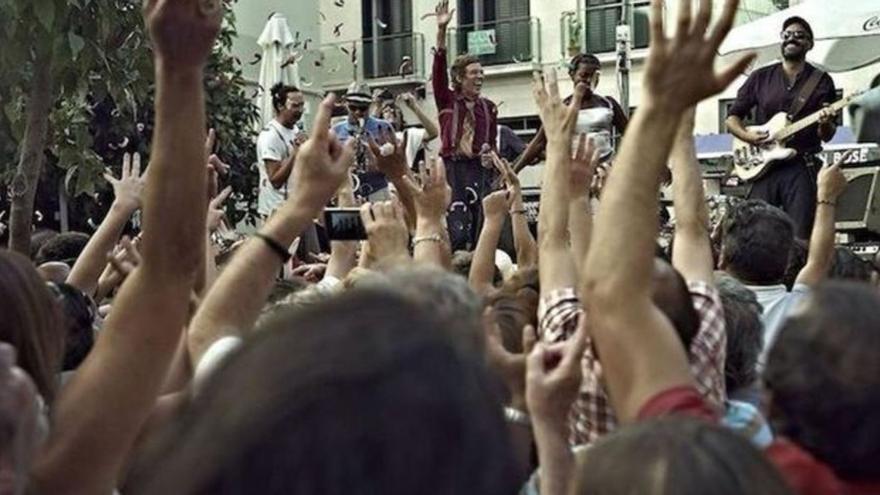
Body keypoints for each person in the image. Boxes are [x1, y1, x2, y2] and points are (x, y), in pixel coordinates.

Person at [725, 16, 838, 239]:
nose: (791, 38)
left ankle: (796, 272)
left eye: (799, 35)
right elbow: (732, 118)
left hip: (800, 165)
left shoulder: (822, 80)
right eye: (787, 35)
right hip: (764, 167)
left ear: (810, 44)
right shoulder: (760, 77)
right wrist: (747, 137)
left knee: (800, 234)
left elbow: (827, 135)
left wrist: (825, 123)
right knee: (756, 231)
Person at [432, 0, 500, 251]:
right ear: (460, 77)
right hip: (453, 169)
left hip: (478, 170)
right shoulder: (447, 99)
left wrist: (493, 166)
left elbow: (492, 145)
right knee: (456, 224)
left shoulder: (489, 107)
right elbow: (438, 69)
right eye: (474, 72)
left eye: (481, 73)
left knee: (481, 225)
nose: (480, 76)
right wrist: (441, 31)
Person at [513, 52, 629, 174]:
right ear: (572, 75)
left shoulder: (608, 104)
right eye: (584, 75)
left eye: (594, 76)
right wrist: (513, 171)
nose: (588, 80)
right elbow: (538, 143)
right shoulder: (562, 108)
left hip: (605, 174)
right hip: (574, 175)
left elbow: (631, 135)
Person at [332, 82, 395, 201]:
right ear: (345, 103)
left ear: (370, 105)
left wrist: (377, 161)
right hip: (348, 192)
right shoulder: (335, 130)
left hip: (377, 190)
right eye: (353, 107)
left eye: (363, 108)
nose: (357, 112)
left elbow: (396, 163)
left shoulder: (383, 127)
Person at [256, 82, 305, 219]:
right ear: (280, 106)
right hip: (276, 211)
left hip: (297, 207)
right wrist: (296, 153)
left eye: (301, 105)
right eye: (295, 106)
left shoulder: (295, 130)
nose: (300, 110)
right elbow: (275, 180)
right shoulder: (270, 136)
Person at [379, 92, 439, 171]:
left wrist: (414, 107)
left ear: (401, 117)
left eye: (395, 110)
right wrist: (377, 107)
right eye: (386, 111)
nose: (391, 112)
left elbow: (433, 133)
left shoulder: (409, 134)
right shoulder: (376, 135)